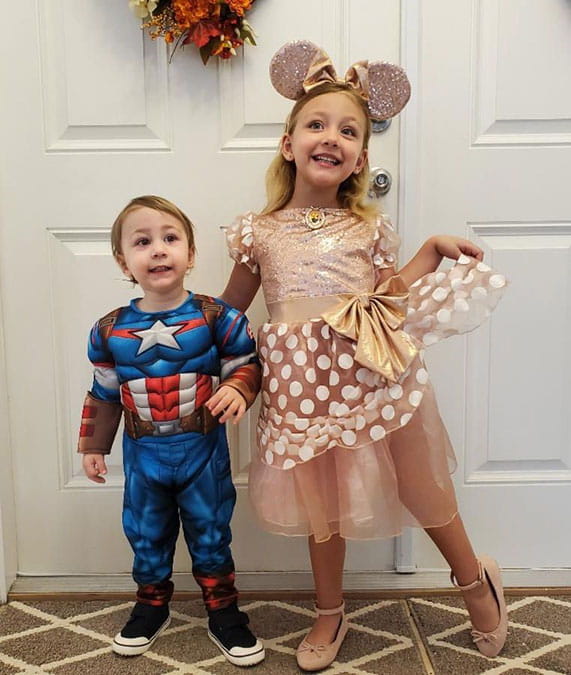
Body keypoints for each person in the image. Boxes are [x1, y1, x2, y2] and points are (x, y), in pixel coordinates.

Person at [221, 41, 509, 671]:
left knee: (422, 483)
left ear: (361, 157)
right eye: (317, 125)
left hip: (374, 371)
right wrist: (179, 341)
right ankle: (330, 612)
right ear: (288, 142)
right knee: (322, 504)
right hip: (302, 387)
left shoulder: (368, 229)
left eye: (348, 131)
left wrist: (429, 252)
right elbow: (230, 311)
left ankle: (473, 581)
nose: (332, 138)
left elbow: (387, 298)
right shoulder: (256, 230)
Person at [78, 195, 265, 667]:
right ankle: (150, 605)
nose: (158, 250)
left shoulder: (216, 318)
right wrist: (93, 446)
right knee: (145, 532)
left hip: (202, 450)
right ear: (124, 261)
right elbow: (103, 392)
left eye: (170, 238)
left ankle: (224, 612)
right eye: (142, 242)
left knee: (210, 531)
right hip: (144, 454)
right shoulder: (109, 331)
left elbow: (247, 364)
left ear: (191, 252)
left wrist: (240, 390)